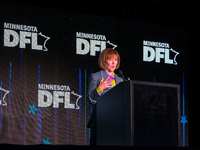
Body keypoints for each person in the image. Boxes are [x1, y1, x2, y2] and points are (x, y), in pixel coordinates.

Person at [87, 48, 123, 145]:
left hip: (116, 122)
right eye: (110, 59)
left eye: (115, 60)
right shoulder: (95, 77)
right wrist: (100, 89)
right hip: (100, 121)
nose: (113, 62)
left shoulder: (120, 80)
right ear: (104, 61)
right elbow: (90, 99)